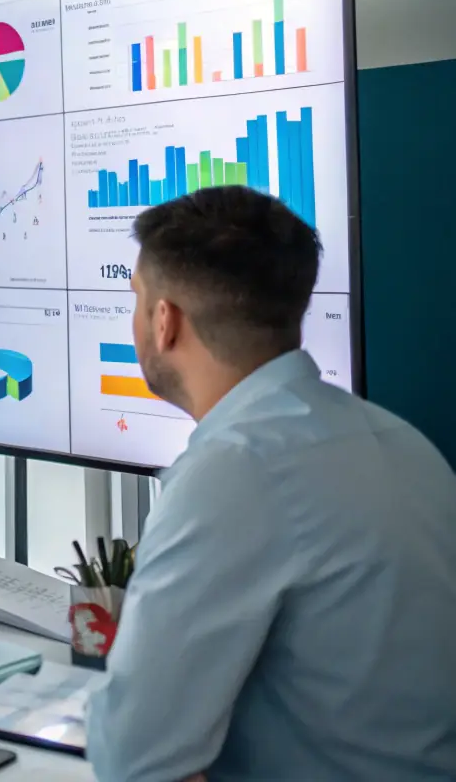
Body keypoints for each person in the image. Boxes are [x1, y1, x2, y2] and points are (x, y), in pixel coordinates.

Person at [85, 186, 456, 782]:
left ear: (164, 322)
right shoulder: (401, 441)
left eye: (136, 297)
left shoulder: (236, 472)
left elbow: (135, 757)